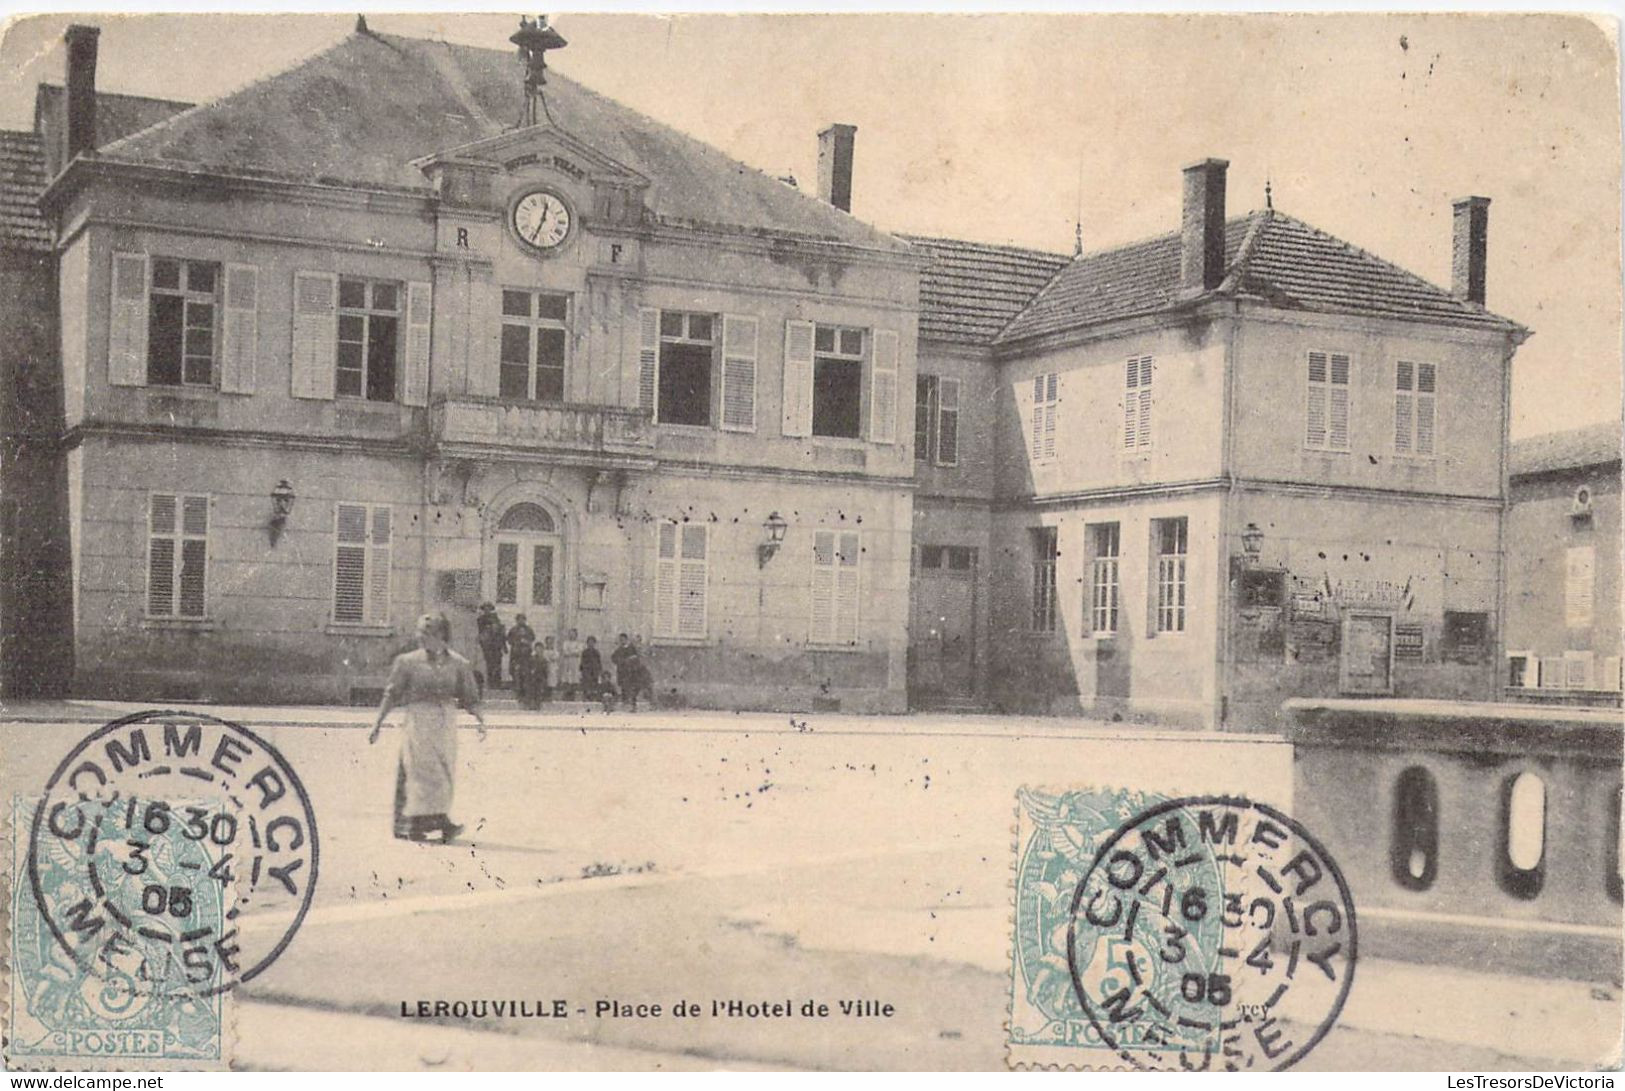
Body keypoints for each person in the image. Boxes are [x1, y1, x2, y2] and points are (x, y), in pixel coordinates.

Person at [369, 613, 486, 843]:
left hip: (445, 724)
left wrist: (481, 720)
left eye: (426, 633)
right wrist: (377, 723)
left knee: (443, 774)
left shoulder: (459, 664)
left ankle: (439, 820)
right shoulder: (407, 662)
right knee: (419, 772)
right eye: (419, 632)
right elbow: (391, 694)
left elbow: (470, 697)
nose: (419, 637)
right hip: (418, 722)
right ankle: (414, 825)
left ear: (441, 635)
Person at [610, 632, 645, 711]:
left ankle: (633, 705)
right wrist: (620, 661)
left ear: (626, 639)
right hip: (622, 672)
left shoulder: (632, 648)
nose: (622, 641)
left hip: (631, 672)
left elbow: (636, 658)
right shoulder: (619, 649)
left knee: (632, 688)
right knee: (623, 687)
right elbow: (613, 658)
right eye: (620, 640)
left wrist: (630, 660)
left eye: (623, 639)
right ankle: (625, 703)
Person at [507, 613, 536, 703]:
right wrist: (516, 642)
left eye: (523, 619)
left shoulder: (529, 630)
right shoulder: (513, 630)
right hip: (516, 654)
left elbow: (532, 638)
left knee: (525, 672)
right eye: (519, 619)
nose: (521, 621)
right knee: (515, 672)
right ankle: (517, 691)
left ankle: (525, 693)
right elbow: (509, 639)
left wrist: (526, 642)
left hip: (526, 654)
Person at [475, 603, 505, 688]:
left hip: (495, 645)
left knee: (497, 664)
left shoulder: (496, 619)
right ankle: (488, 682)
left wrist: (502, 644)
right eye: (485, 609)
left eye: (489, 609)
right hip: (486, 645)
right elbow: (480, 633)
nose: (487, 610)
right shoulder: (480, 620)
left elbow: (500, 632)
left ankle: (497, 683)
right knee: (488, 663)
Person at [558, 628, 583, 699]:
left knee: (574, 677)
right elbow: (565, 651)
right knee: (567, 677)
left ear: (576, 635)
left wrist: (571, 652)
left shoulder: (579, 643)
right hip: (567, 662)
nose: (572, 635)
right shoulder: (566, 643)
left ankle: (573, 693)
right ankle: (566, 694)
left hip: (575, 662)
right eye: (570, 633)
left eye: (573, 634)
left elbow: (579, 652)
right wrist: (572, 652)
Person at [578, 635, 603, 702]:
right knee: (586, 683)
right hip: (586, 670)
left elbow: (599, 661)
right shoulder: (584, 652)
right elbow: (582, 661)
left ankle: (593, 697)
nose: (590, 644)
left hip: (594, 670)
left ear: (594, 643)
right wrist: (582, 669)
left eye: (592, 642)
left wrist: (599, 670)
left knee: (594, 683)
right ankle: (586, 696)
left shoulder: (596, 652)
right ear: (587, 643)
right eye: (589, 642)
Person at [538, 636, 560, 702]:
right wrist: (549, 658)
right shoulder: (544, 651)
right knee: (545, 681)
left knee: (552, 682)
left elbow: (555, 657)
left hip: (552, 667)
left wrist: (550, 658)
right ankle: (544, 696)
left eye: (551, 642)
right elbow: (544, 657)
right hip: (545, 667)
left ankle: (551, 696)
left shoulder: (555, 651)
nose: (549, 644)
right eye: (548, 642)